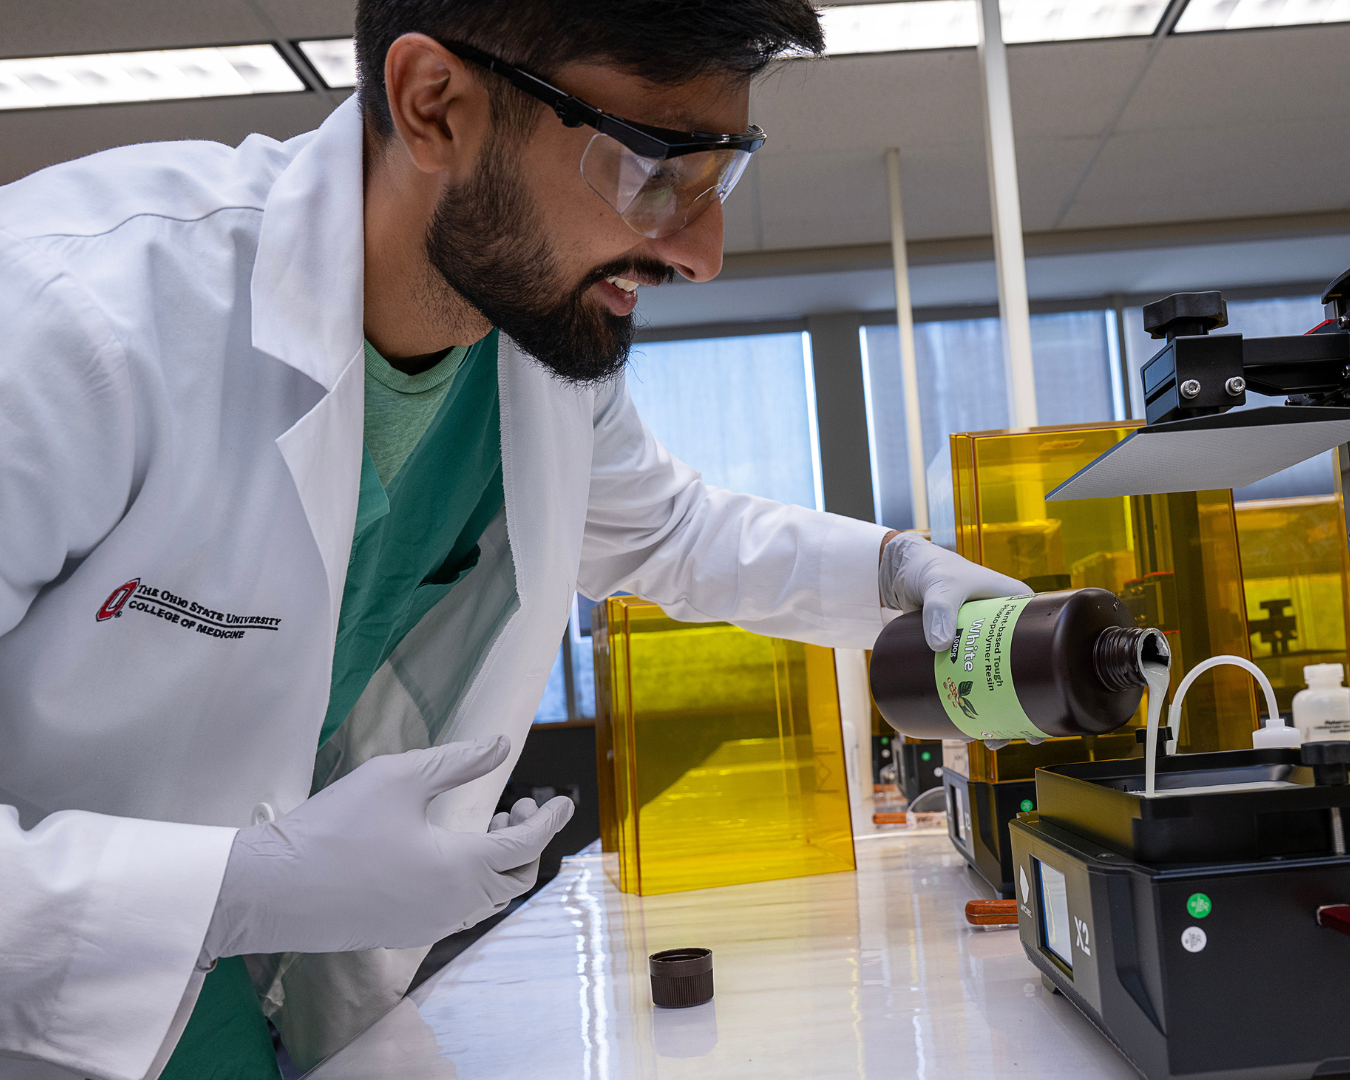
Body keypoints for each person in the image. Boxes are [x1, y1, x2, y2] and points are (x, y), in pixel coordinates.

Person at [0, 3, 1026, 1078]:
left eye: (720, 177)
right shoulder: (65, 319)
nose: (704, 251)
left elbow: (671, 529)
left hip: (230, 1001)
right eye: (652, 167)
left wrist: (893, 573)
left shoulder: (526, 342)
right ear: (434, 107)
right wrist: (240, 886)